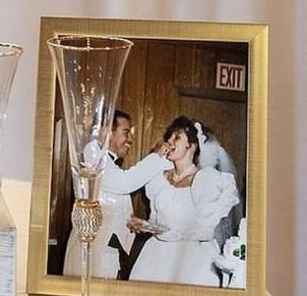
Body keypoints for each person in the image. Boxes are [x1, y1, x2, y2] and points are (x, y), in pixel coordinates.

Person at [128, 116, 240, 286]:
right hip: (156, 258)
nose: (169, 142)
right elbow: (157, 219)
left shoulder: (207, 180)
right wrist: (146, 225)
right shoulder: (158, 178)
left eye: (177, 137)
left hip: (192, 260)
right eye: (169, 137)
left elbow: (206, 230)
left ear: (192, 146)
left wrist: (168, 232)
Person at [63, 110, 171, 279]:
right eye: (125, 133)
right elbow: (124, 183)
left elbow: (113, 203)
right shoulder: (92, 154)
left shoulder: (108, 162)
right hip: (92, 252)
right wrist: (156, 157)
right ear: (107, 132)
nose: (130, 140)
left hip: (106, 253)